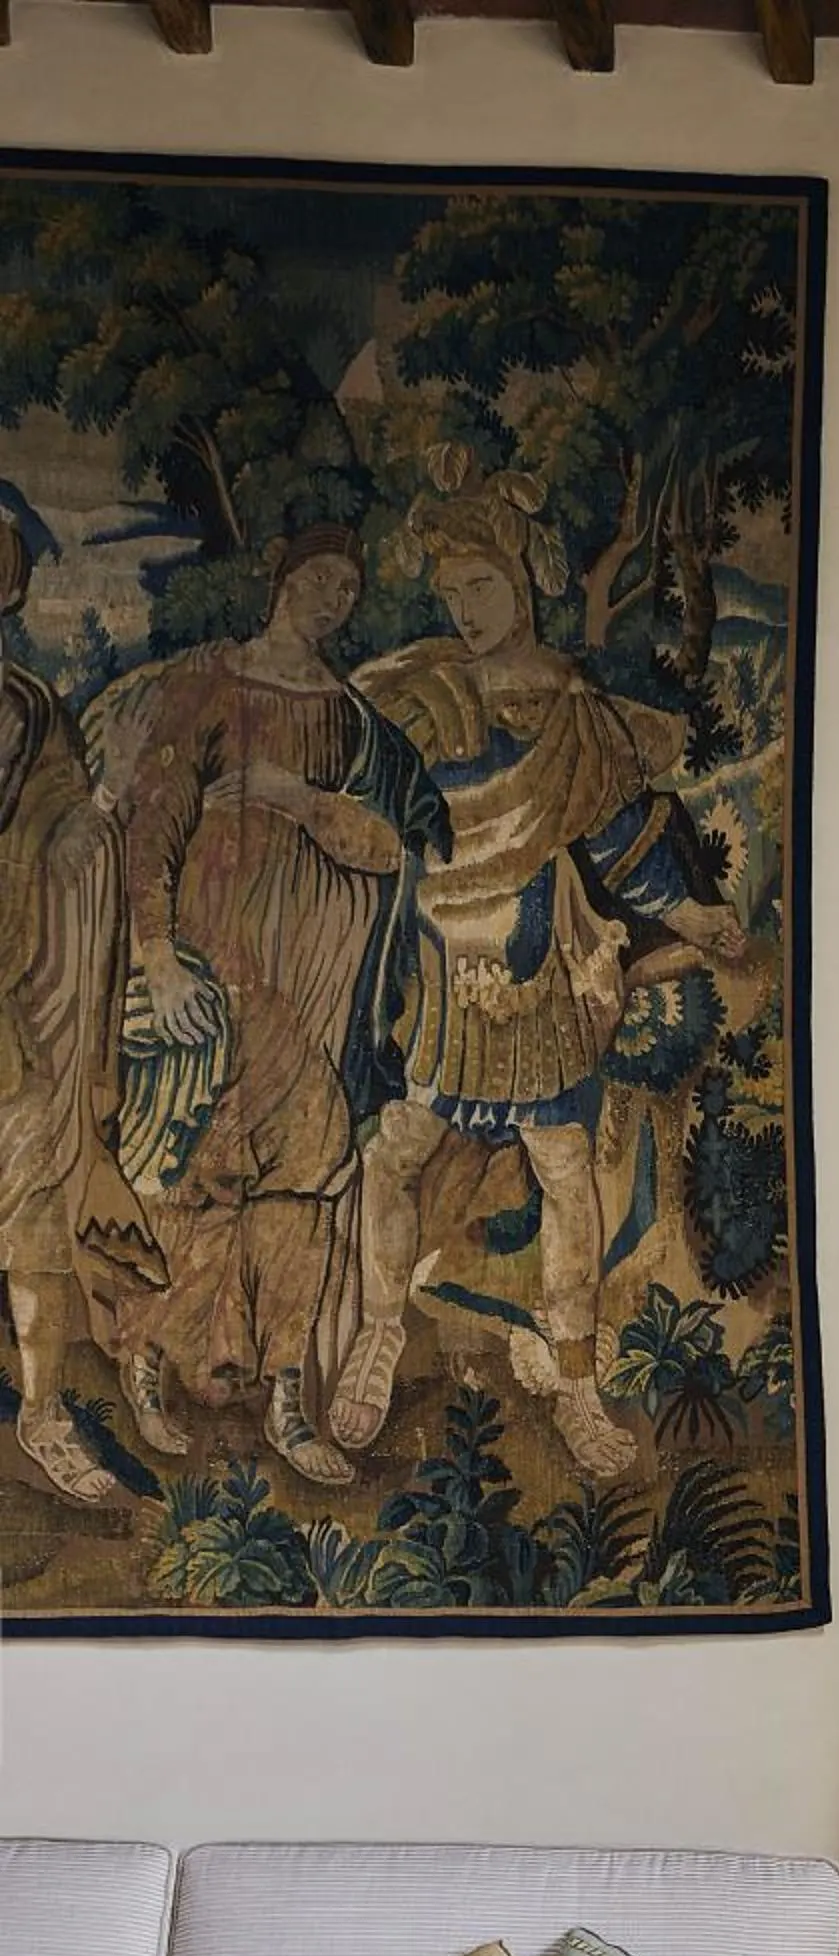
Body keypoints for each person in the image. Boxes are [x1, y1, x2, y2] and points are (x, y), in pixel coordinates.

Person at [335, 453, 743, 1483]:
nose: (466, 609)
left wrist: (692, 909)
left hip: (535, 972)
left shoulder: (571, 708)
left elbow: (615, 840)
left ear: (522, 581)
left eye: (483, 587)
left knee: (565, 1171)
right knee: (393, 1155)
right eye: (451, 592)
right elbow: (375, 818)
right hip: (438, 971)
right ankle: (378, 1337)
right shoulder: (415, 695)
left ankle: (573, 1381)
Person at [116, 524, 448, 1485]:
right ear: (281, 577)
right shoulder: (211, 688)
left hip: (319, 977)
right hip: (215, 968)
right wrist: (153, 952)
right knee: (198, 1164)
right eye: (319, 577)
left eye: (349, 584)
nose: (334, 597)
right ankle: (152, 1355)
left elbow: (398, 845)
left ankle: (288, 1390)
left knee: (306, 1171)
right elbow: (157, 817)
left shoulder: (355, 720)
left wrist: (292, 797)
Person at [0, 510, 158, 1507]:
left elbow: (63, 856)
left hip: (17, 1004)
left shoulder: (29, 708)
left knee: (30, 1209)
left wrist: (105, 803)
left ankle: (42, 1405)